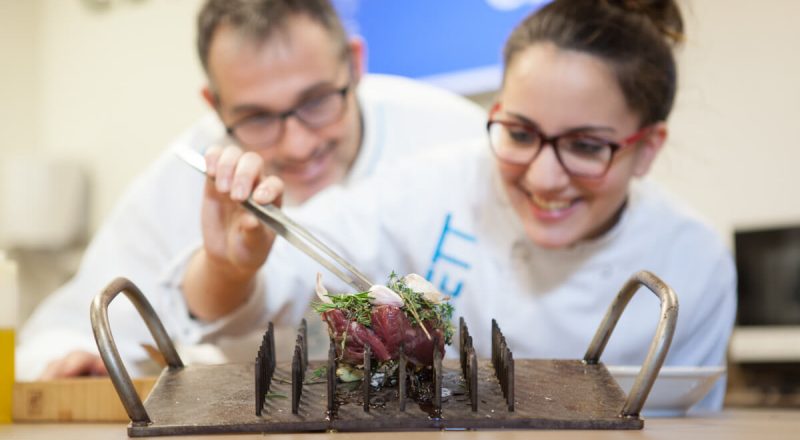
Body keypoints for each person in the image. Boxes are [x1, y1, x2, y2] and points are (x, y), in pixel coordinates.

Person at [176, 0, 736, 412]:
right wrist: (232, 265)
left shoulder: (692, 259)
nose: (544, 176)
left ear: (647, 150)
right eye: (519, 133)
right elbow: (277, 278)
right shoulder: (434, 185)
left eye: (587, 146)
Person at [15, 0, 487, 380]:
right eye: (257, 117)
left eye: (317, 101)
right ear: (215, 105)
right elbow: (64, 331)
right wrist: (72, 362)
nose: (298, 144)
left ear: (356, 63)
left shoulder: (450, 139)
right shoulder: (188, 175)